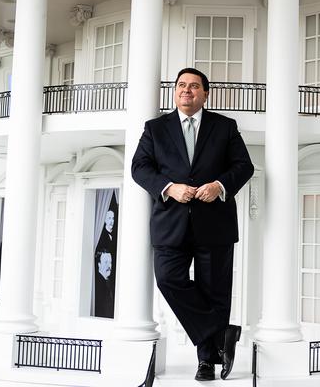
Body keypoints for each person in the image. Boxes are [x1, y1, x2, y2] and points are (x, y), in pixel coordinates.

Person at [132, 68, 254, 382]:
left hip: (215, 225)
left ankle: (207, 361)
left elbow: (244, 166)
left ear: (205, 93)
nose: (187, 90)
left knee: (214, 292)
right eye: (182, 86)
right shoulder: (155, 129)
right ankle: (220, 333)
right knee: (168, 279)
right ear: (175, 92)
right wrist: (168, 187)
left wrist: (220, 186)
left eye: (194, 86)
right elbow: (139, 168)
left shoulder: (224, 127)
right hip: (170, 224)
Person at [93, 249, 114, 318]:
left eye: (110, 262)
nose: (109, 266)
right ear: (99, 265)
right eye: (106, 262)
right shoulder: (98, 285)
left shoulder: (109, 282)